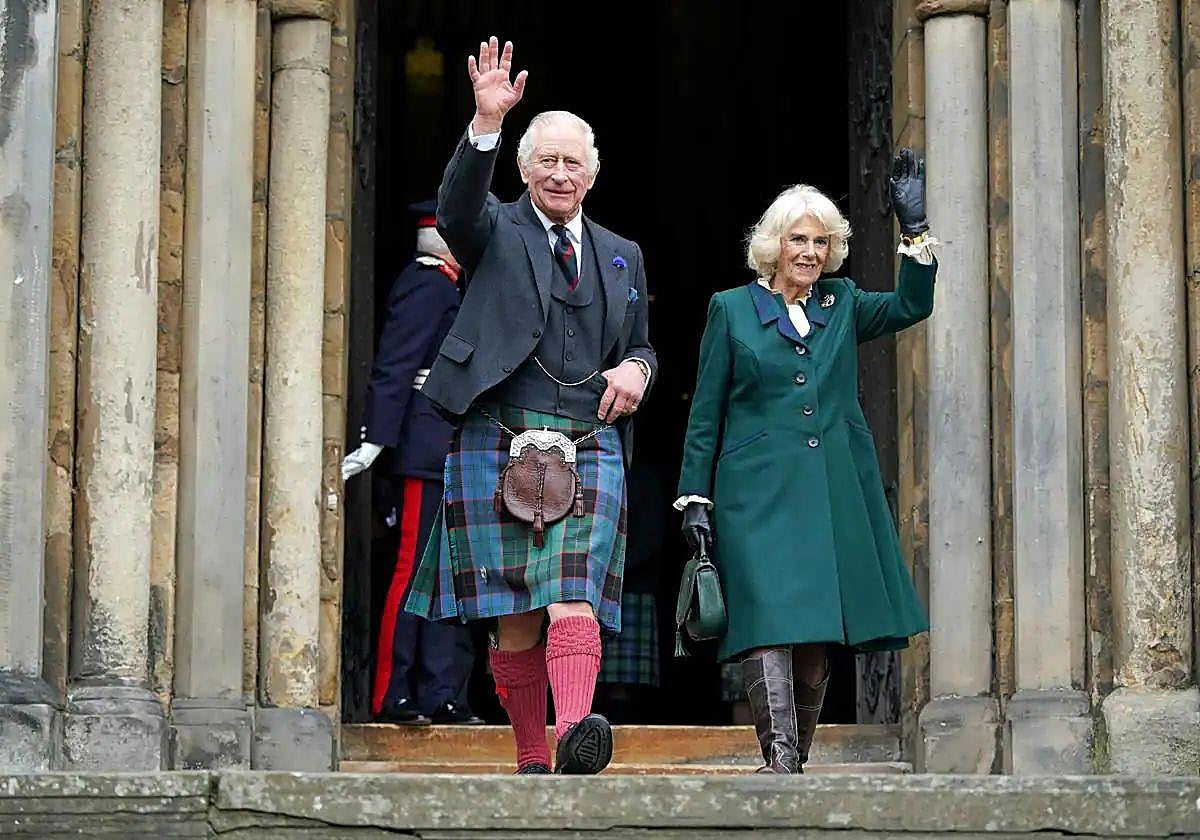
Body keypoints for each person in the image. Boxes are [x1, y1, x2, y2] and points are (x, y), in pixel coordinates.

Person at [403, 37, 657, 775]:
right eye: (546, 160)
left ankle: (574, 733)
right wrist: (486, 121)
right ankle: (530, 756)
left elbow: (642, 343)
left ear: (593, 174)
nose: (559, 173)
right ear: (523, 169)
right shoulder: (493, 229)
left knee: (574, 595)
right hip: (499, 429)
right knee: (514, 614)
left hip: (589, 437)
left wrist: (638, 369)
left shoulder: (622, 253)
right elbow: (456, 207)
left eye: (572, 162)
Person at [676, 149, 937, 774]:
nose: (811, 252)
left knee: (816, 631)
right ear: (774, 244)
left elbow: (911, 306)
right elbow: (706, 412)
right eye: (799, 239)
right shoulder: (731, 309)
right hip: (754, 496)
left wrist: (915, 230)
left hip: (827, 492)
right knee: (767, 622)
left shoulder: (841, 303)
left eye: (821, 242)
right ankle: (780, 760)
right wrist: (694, 498)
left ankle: (797, 760)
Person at [342, 201, 482, 726]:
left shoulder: (449, 289)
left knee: (449, 576)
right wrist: (376, 440)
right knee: (413, 572)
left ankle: (440, 691)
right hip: (424, 449)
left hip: (449, 447)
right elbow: (396, 365)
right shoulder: (427, 285)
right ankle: (393, 691)